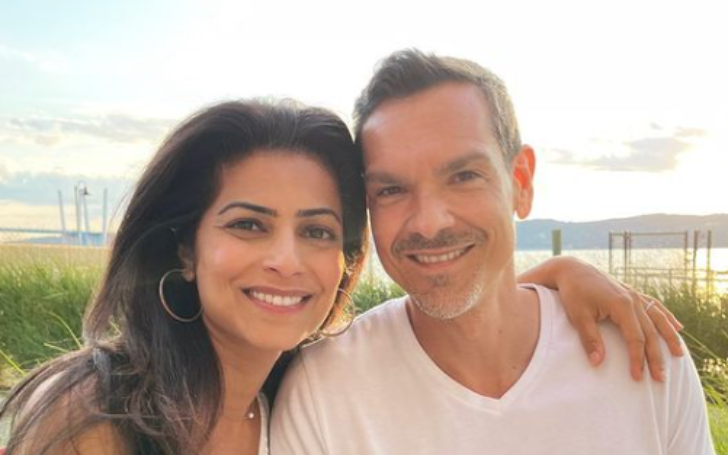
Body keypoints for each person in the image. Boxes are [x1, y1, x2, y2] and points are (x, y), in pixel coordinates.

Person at [0, 98, 681, 455]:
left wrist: (558, 272)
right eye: (249, 224)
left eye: (318, 231)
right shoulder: (95, 417)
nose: (288, 260)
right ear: (185, 247)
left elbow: (471, 301)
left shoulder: (288, 389)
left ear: (345, 259)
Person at [270, 50, 715, 454]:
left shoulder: (643, 355)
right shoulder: (324, 391)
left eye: (463, 176)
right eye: (391, 190)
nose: (429, 222)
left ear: (521, 182)